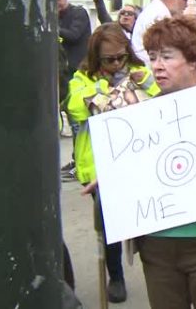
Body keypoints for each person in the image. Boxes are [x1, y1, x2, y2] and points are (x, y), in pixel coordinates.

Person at [100, 17, 196, 309]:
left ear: (194, 63)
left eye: (167, 57)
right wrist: (110, 176)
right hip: (157, 248)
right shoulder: (139, 117)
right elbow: (132, 173)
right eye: (153, 57)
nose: (156, 65)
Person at [67, 22, 160, 303]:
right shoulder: (82, 78)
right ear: (97, 56)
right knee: (109, 225)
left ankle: (158, 271)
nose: (117, 63)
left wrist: (146, 83)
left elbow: (163, 102)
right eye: (109, 59)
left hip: (139, 161)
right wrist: (97, 91)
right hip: (99, 167)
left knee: (146, 218)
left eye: (121, 56)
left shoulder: (139, 73)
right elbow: (74, 106)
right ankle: (116, 275)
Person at [58, 0, 92, 178]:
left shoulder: (79, 13)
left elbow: (73, 35)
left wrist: (52, 27)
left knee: (79, 121)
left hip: (78, 71)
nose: (56, 6)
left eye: (58, 0)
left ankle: (80, 163)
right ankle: (76, 159)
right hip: (64, 74)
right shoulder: (57, 18)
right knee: (71, 120)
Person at [131, 0, 192, 65]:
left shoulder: (155, 9)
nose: (186, 5)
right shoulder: (160, 14)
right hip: (150, 65)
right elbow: (165, 46)